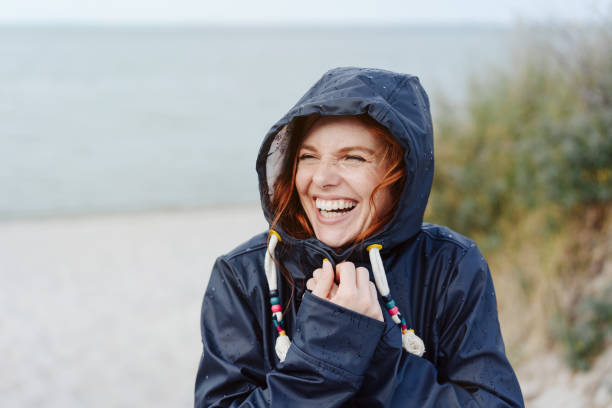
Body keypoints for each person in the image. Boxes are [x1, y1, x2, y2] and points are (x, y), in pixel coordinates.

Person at [194, 67, 524, 407]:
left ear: (402, 174)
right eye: (308, 156)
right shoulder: (244, 276)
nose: (321, 178)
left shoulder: (450, 266)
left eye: (353, 157)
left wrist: (380, 357)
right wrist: (322, 357)